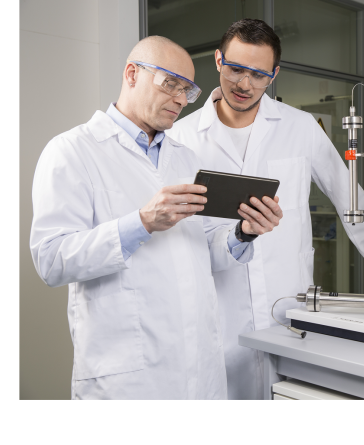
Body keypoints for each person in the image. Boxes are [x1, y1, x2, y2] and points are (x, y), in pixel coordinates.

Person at [30, 35, 283, 400]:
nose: (180, 99)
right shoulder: (72, 151)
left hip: (199, 367)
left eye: (187, 90)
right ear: (132, 74)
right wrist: (142, 223)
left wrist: (243, 232)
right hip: (127, 377)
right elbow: (51, 260)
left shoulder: (185, 158)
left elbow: (202, 253)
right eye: (170, 84)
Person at [168, 19, 364, 400]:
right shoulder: (181, 137)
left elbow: (352, 203)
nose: (245, 84)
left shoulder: (300, 127)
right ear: (218, 60)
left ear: (274, 75)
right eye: (236, 69)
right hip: (219, 312)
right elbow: (175, 235)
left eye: (259, 75)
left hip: (288, 306)